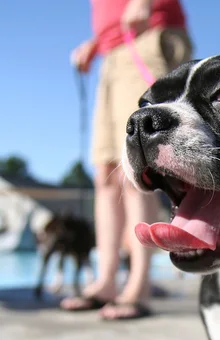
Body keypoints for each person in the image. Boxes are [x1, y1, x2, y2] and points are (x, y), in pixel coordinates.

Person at [61, 0, 192, 319]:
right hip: (112, 52)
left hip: (147, 34)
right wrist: (96, 44)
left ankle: (139, 284)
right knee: (106, 171)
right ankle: (106, 281)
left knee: (137, 166)